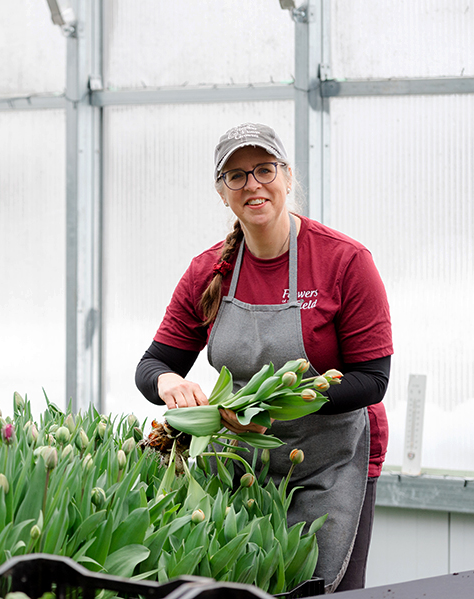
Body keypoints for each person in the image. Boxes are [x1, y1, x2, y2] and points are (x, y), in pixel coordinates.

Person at [135, 122, 392, 592]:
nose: (253, 184)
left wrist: (269, 403)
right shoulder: (208, 271)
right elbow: (153, 363)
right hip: (239, 464)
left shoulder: (344, 261)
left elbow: (372, 379)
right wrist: (169, 384)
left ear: (287, 176)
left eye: (264, 169)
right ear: (222, 192)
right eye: (236, 175)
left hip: (329, 463)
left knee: (319, 586)